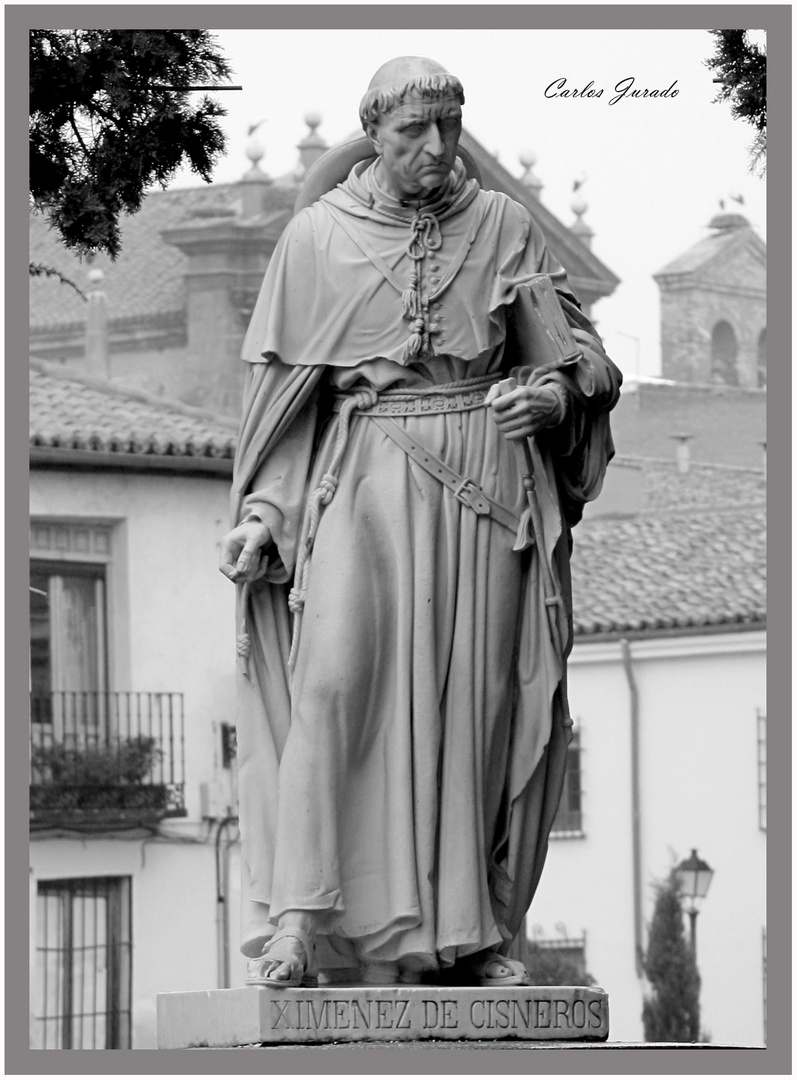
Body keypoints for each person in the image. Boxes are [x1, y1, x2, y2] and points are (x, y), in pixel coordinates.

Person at [219, 56, 621, 990]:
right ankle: (300, 923)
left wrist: (555, 403)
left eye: (449, 126)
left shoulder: (503, 226)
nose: (438, 148)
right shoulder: (316, 240)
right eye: (414, 133)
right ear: (374, 133)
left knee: (473, 712)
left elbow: (578, 361)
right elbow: (287, 402)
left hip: (485, 489)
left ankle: (469, 934)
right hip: (362, 481)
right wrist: (264, 514)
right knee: (333, 690)